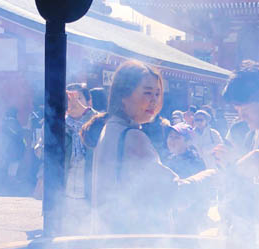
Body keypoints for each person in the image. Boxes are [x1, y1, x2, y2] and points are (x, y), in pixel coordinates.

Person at [88, 60, 214, 234]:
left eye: (157, 94)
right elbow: (177, 196)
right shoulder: (132, 137)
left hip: (111, 237)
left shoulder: (110, 128)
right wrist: (211, 176)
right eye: (147, 93)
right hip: (136, 243)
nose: (154, 101)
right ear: (124, 95)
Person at [64, 82, 96, 231]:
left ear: (88, 102)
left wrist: (85, 111)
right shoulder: (60, 124)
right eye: (69, 99)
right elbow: (42, 152)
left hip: (90, 191)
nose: (73, 103)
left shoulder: (96, 122)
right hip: (66, 192)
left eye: (78, 98)